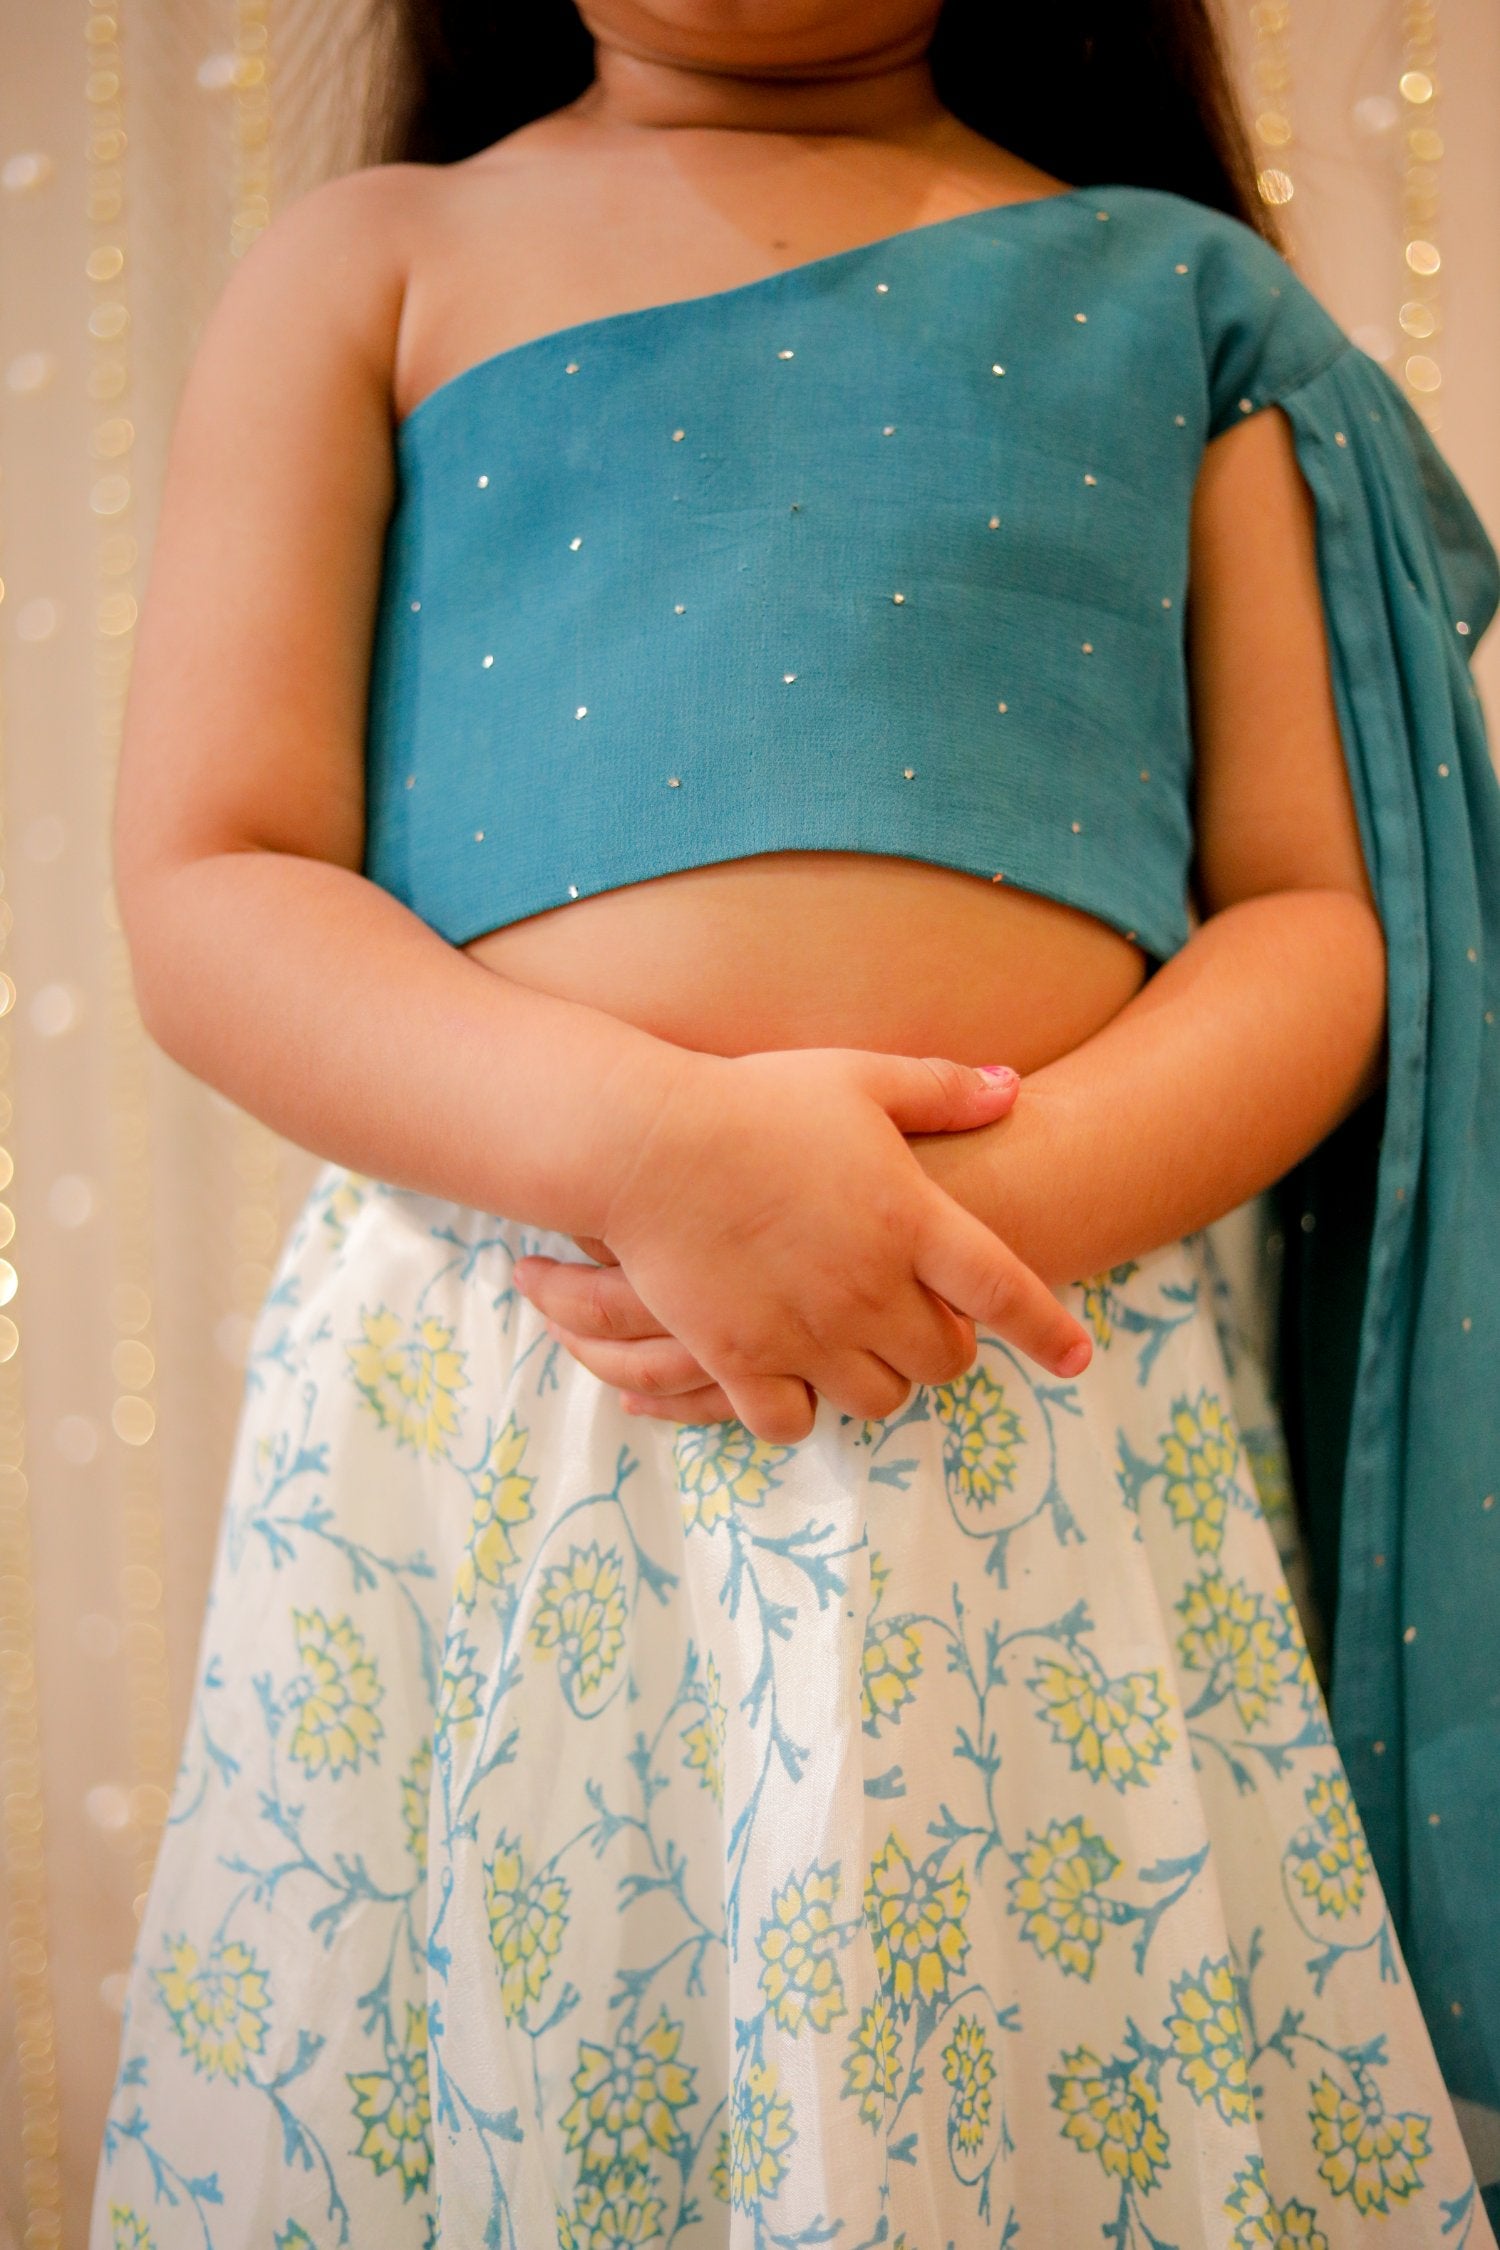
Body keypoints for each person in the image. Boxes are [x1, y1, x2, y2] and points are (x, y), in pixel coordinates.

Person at [90, 0, 1500, 2242]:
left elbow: (1312, 925)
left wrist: (966, 1226)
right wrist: (647, 1151)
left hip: (1023, 1387)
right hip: (527, 1397)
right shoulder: (374, 262)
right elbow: (216, 886)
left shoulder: (1179, 301)